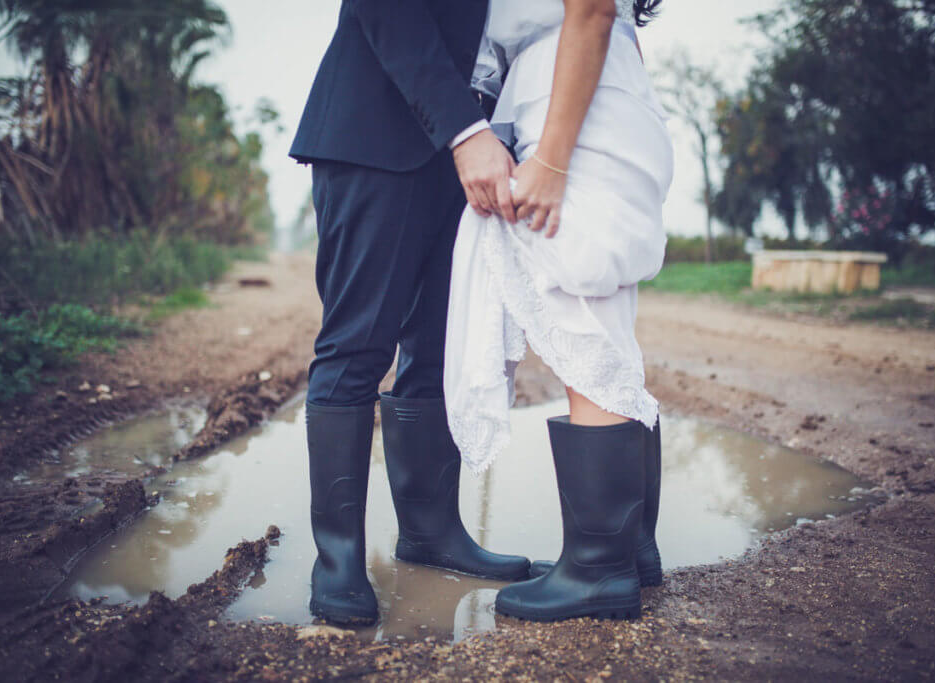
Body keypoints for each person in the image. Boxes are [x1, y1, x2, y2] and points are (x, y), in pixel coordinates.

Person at [288, 0, 532, 627]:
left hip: (472, 155)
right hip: (379, 131)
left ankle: (431, 533)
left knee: (439, 347)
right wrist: (464, 128)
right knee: (357, 345)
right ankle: (338, 559)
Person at [444, 0, 672, 621]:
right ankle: (627, 552)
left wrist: (551, 158)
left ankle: (598, 572)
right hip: (597, 96)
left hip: (575, 112)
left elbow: (592, 8)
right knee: (605, 325)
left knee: (584, 318)